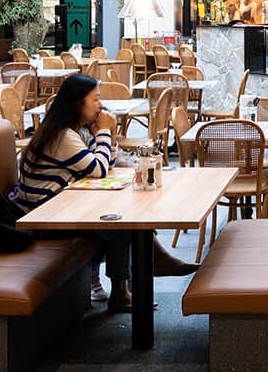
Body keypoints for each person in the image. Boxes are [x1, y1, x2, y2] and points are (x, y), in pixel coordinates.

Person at [15, 74, 196, 311]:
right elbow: (98, 170)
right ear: (78, 103)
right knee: (120, 224)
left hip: (56, 209)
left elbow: (105, 164)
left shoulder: (73, 132)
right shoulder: (62, 136)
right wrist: (104, 131)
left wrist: (106, 137)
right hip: (44, 219)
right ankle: (132, 282)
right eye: (96, 99)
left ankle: (144, 268)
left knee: (123, 216)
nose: (101, 105)